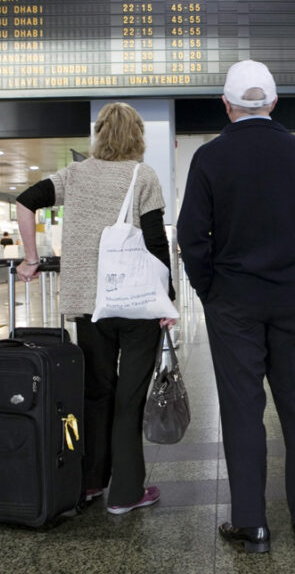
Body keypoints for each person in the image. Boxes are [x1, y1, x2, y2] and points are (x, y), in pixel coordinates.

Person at [178, 60, 295, 553]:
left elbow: (191, 237)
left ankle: (252, 522)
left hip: (234, 302)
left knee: (242, 408)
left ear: (226, 105)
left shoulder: (209, 157)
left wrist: (210, 291)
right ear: (274, 102)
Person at [15, 102, 177, 516]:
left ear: (99, 134)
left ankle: (89, 482)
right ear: (137, 135)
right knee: (129, 397)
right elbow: (156, 242)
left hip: (91, 305)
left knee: (95, 392)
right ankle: (126, 492)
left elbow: (25, 201)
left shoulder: (74, 175)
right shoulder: (143, 175)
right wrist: (167, 298)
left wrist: (31, 259)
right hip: (138, 304)